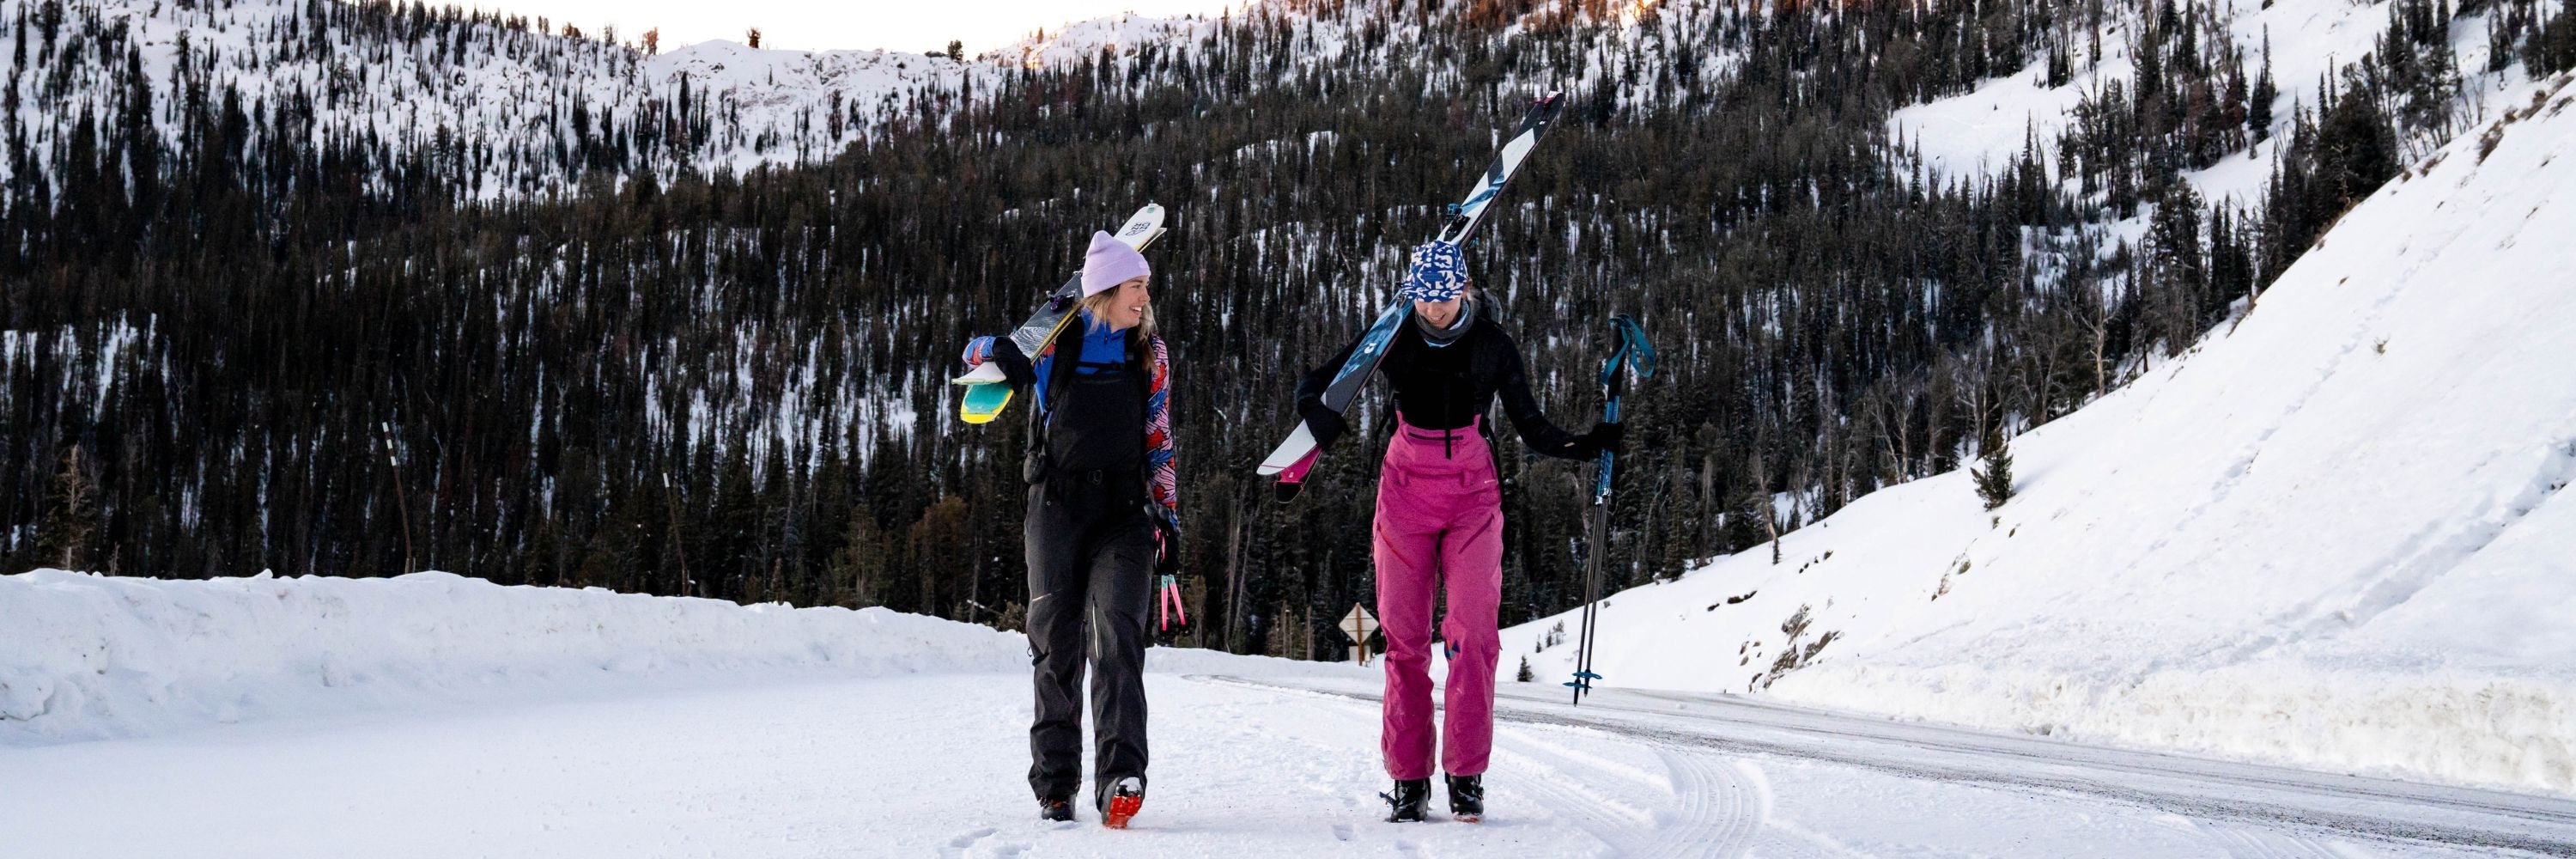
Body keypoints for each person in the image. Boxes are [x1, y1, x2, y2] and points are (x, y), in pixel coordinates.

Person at [1294, 241, 1620, 824]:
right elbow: (1319, 382)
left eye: (1444, 299)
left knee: (1474, 638)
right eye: (1424, 300)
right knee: (1404, 645)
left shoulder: (1492, 345)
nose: (1434, 310)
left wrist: (1585, 445)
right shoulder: (1393, 335)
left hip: (1473, 495)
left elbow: (1531, 425)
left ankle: (1466, 778)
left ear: (1465, 291)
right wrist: (1316, 416)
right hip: (1404, 495)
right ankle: (1408, 782)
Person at [960, 230, 1181, 829]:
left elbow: (1159, 439)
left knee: (1119, 640)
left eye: (1146, 287)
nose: (1145, 298)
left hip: (1125, 512)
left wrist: (1170, 517)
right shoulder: (1055, 346)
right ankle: (1056, 784)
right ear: (1106, 291)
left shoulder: (1149, 353)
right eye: (1136, 286)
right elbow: (971, 353)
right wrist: (1000, 353)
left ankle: (1122, 781)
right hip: (1056, 508)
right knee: (1057, 645)